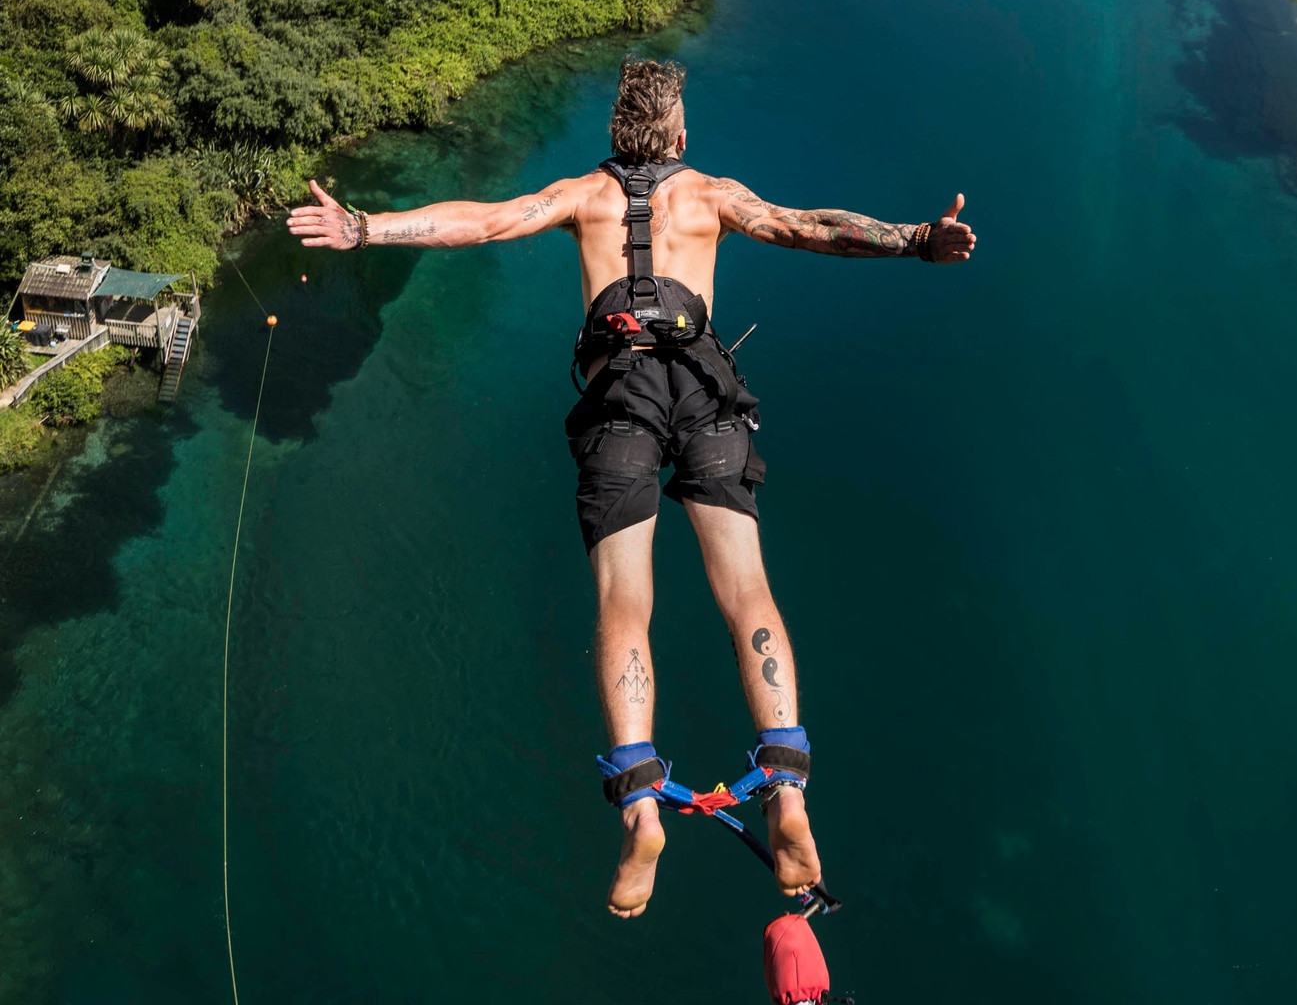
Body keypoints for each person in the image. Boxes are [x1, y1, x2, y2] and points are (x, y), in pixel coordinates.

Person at [287, 58, 975, 917]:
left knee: (624, 601)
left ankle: (641, 805)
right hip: (707, 393)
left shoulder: (583, 197)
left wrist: (364, 229)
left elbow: (485, 223)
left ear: (614, 136)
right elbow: (809, 226)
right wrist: (914, 239)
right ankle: (788, 791)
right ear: (682, 137)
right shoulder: (714, 196)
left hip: (622, 401)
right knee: (747, 589)